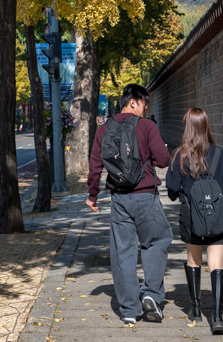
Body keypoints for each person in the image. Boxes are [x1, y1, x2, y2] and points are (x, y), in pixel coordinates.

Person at [87, 83, 172, 326]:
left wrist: (92, 195)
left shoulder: (104, 129)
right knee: (157, 241)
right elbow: (163, 160)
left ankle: (128, 310)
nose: (146, 108)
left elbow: (95, 166)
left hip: (119, 200)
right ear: (133, 101)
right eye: (144, 103)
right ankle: (151, 295)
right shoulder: (147, 126)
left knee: (122, 252)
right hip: (146, 196)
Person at [166, 108, 223, 336]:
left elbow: (173, 189)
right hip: (215, 215)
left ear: (188, 128)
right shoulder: (220, 154)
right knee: (217, 264)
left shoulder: (179, 155)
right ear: (206, 126)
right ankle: (217, 316)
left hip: (191, 215)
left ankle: (195, 308)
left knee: (194, 260)